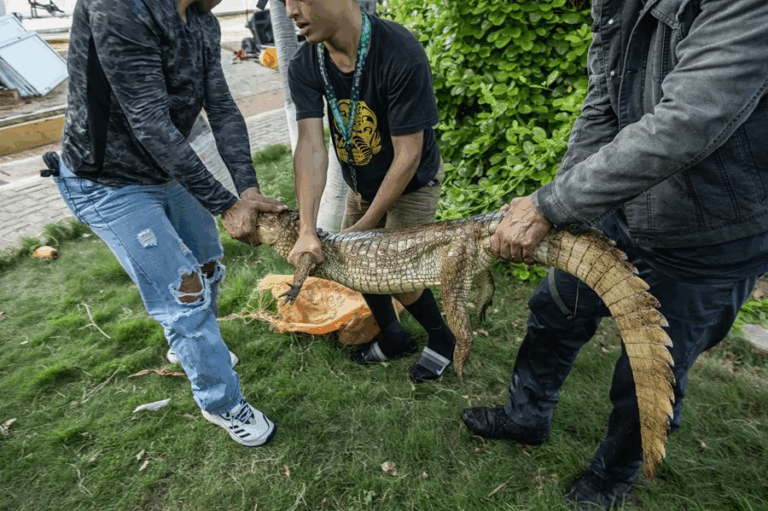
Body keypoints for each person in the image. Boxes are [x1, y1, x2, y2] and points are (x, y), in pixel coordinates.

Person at [461, 0, 768, 508]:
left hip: (712, 230)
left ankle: (612, 476)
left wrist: (549, 205)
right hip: (619, 207)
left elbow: (686, 122)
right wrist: (562, 205)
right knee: (555, 311)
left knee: (648, 367)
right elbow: (602, 105)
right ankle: (527, 415)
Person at [49, 0, 288, 447]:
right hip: (108, 181)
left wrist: (248, 190)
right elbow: (149, 122)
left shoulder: (201, 20)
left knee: (209, 266)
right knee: (185, 295)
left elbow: (221, 106)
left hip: (166, 170)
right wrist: (224, 204)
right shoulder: (118, 7)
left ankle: (192, 350)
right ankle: (220, 402)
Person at [283, 0, 457, 382]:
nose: (291, 10)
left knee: (396, 272)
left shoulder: (399, 51)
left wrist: (368, 223)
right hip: (361, 179)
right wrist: (307, 229)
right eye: (284, 1)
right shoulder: (305, 63)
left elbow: (408, 154)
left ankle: (445, 340)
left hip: (412, 180)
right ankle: (394, 337)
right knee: (353, 263)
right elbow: (311, 146)